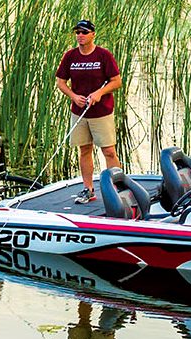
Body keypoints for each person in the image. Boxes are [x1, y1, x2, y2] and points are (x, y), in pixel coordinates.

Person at [55, 19, 124, 204]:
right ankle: (88, 189)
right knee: (84, 149)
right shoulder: (70, 56)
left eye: (84, 32)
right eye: (77, 32)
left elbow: (116, 81)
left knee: (109, 151)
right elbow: (61, 82)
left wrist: (100, 93)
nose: (80, 36)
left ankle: (118, 189)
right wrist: (73, 96)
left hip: (101, 112)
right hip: (79, 112)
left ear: (93, 34)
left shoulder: (103, 55)